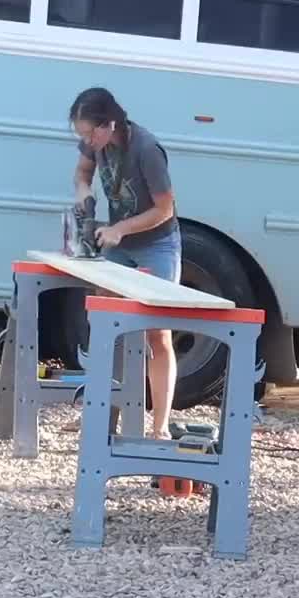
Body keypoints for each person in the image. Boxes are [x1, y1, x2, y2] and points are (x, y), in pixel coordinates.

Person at [69, 87, 181, 440]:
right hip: (119, 242)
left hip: (156, 244)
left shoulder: (147, 150)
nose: (87, 141)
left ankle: (159, 426)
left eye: (90, 133)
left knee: (158, 334)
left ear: (110, 123)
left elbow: (165, 209)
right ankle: (102, 418)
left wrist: (120, 229)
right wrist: (83, 192)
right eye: (82, 135)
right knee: (104, 325)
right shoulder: (95, 143)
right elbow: (82, 174)